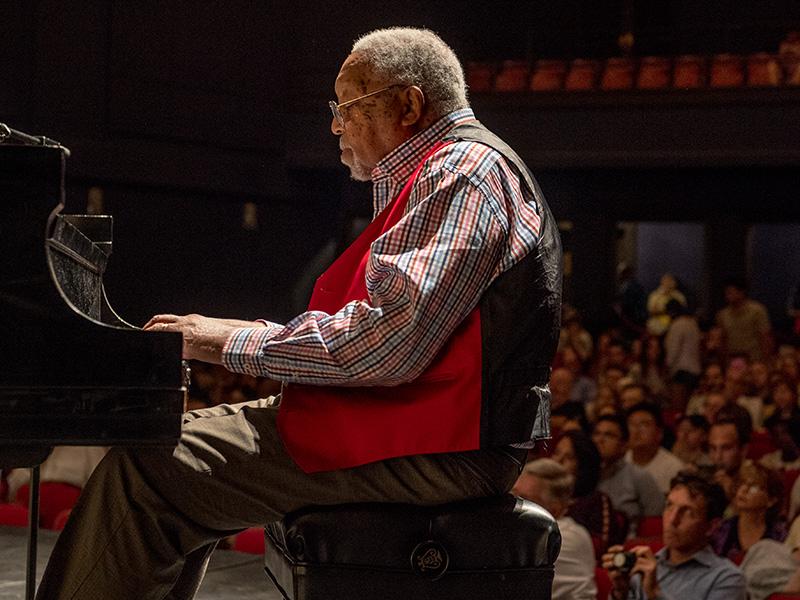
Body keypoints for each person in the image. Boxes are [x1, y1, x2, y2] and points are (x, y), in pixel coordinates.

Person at [35, 28, 562, 600]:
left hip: (445, 448)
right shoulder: (447, 171)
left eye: (348, 107)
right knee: (168, 445)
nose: (335, 126)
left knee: (147, 469)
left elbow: (390, 344)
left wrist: (229, 343)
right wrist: (225, 331)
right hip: (420, 425)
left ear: (408, 105)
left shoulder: (460, 173)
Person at [602, 471, 746, 600]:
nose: (672, 520)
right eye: (669, 506)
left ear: (711, 526)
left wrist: (655, 594)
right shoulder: (643, 565)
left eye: (687, 512)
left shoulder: (727, 579)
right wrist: (621, 593)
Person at [512, 458, 597, 600]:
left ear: (554, 510)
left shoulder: (566, 537)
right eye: (512, 494)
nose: (512, 505)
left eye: (523, 499)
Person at [551, 429, 627, 558]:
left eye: (569, 457)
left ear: (582, 465)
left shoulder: (596, 500)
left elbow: (599, 547)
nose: (559, 460)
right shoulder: (544, 497)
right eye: (557, 453)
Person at [593, 415, 665, 533]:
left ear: (624, 445)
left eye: (609, 435)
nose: (599, 440)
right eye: (596, 434)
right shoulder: (583, 475)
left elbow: (655, 523)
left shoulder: (639, 476)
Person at [710, 462, 787, 562]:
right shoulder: (720, 530)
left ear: (771, 500)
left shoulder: (780, 535)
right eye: (741, 484)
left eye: (754, 487)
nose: (743, 490)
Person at [624, 402, 685, 495]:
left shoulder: (674, 468)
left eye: (644, 425)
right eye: (631, 424)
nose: (636, 430)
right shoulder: (620, 460)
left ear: (659, 433)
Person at [715, 277, 772, 362]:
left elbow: (765, 336)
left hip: (754, 358)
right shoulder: (722, 315)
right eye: (726, 293)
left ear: (741, 292)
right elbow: (722, 339)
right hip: (732, 359)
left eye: (730, 292)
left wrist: (766, 358)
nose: (727, 296)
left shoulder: (757, 310)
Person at [708, 418, 751, 502]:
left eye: (726, 448)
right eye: (713, 448)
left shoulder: (758, 481)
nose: (717, 456)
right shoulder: (704, 476)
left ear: (743, 450)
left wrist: (732, 493)